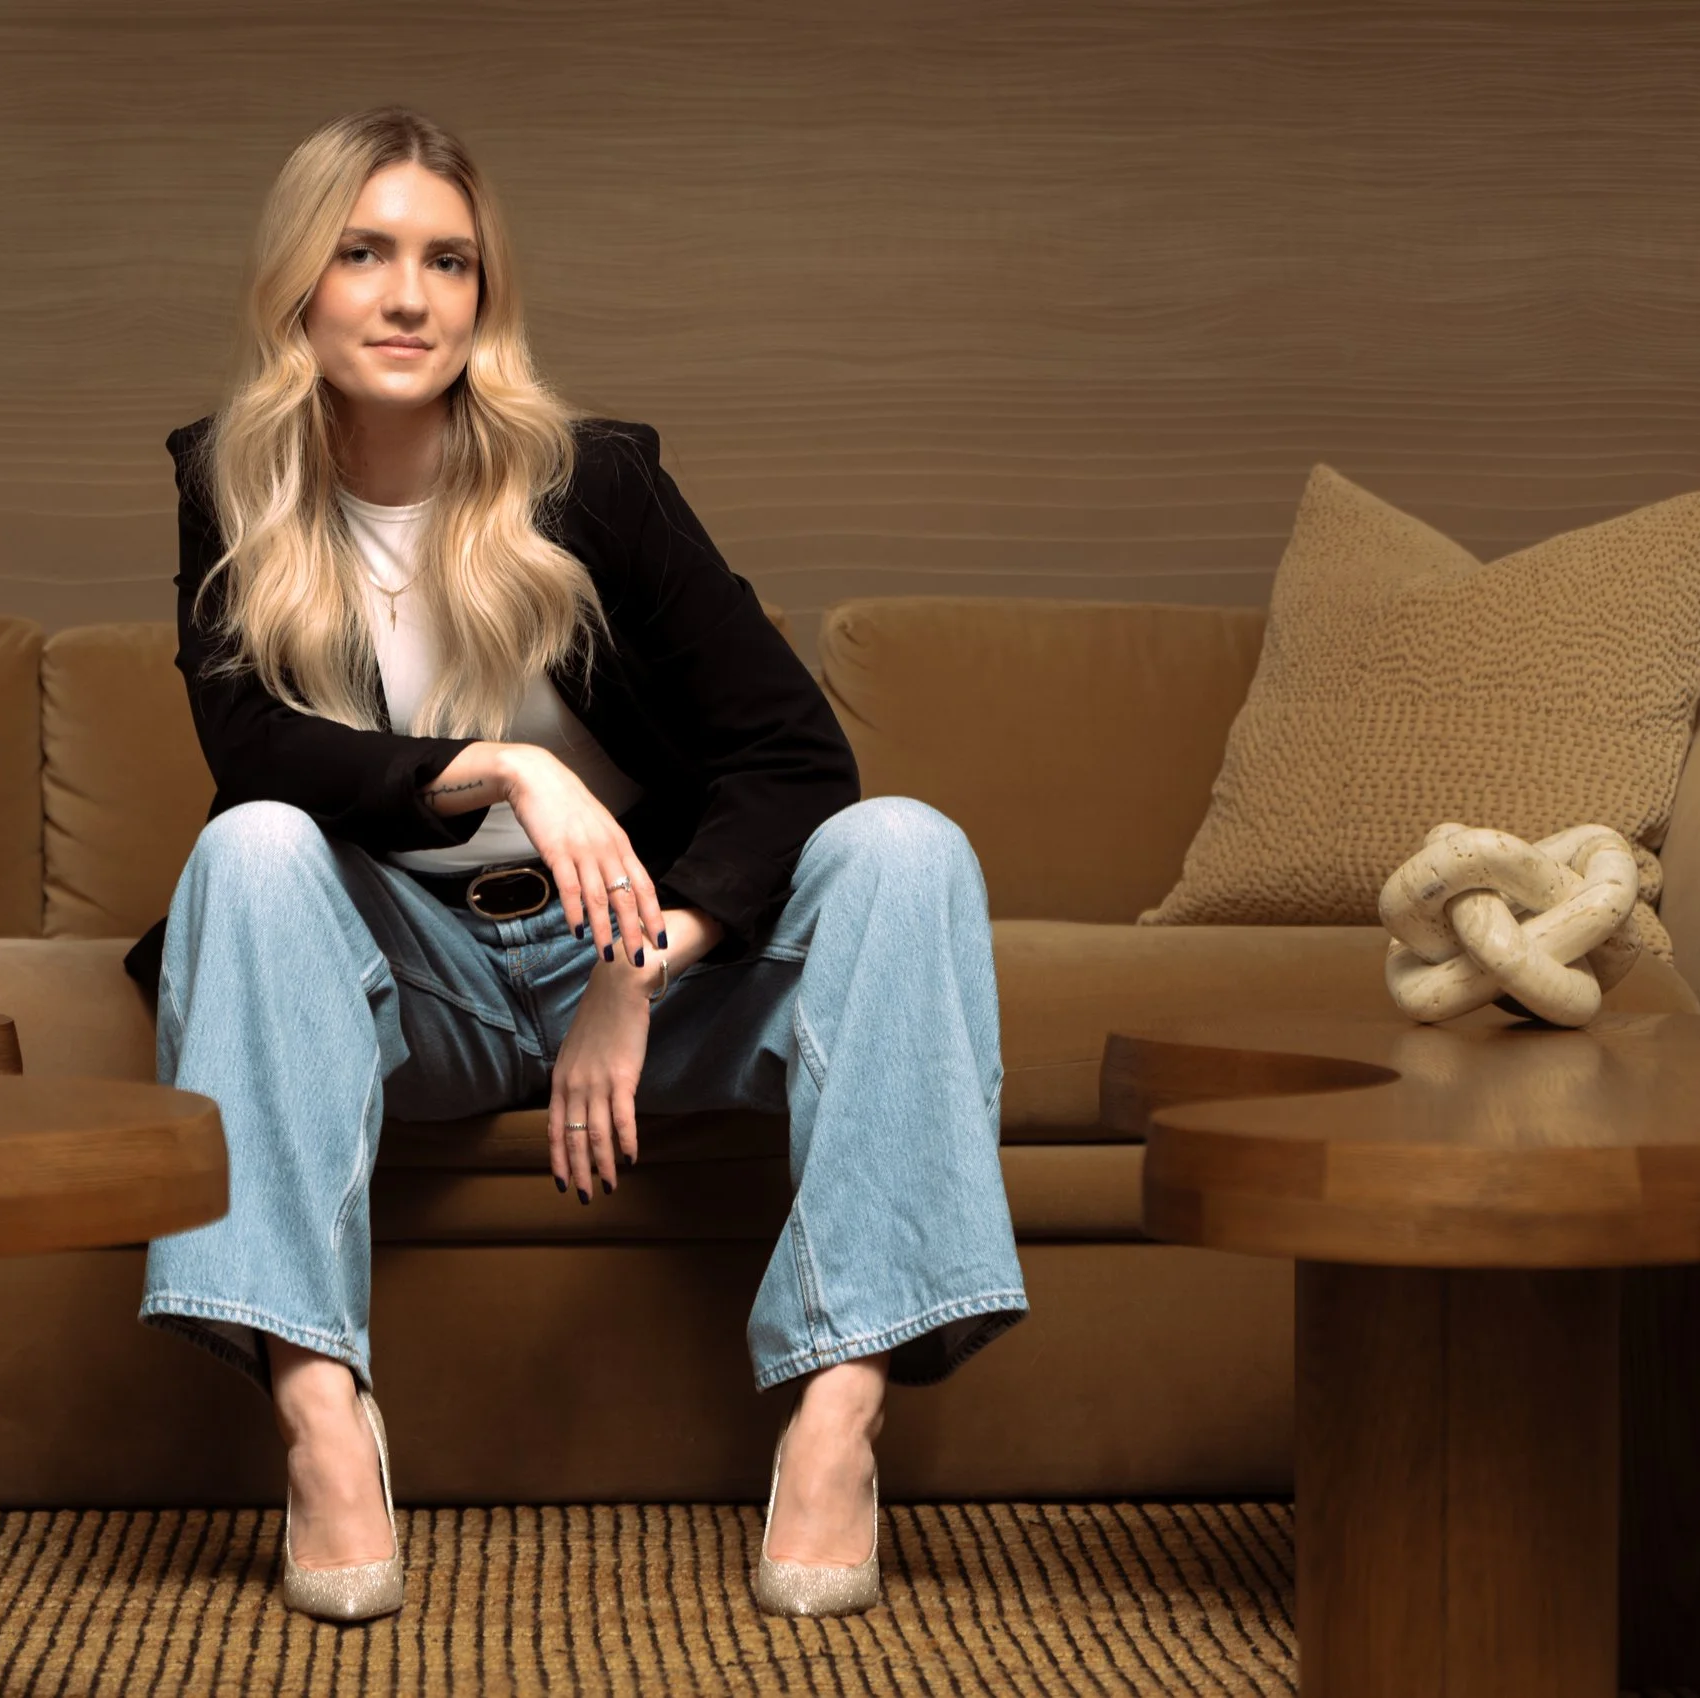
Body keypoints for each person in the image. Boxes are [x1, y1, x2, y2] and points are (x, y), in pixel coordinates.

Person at [125, 106, 1026, 1623]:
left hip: (641, 974)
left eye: (447, 262)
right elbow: (255, 750)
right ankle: (318, 1409)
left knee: (908, 849)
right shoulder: (236, 481)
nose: (409, 297)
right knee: (253, 848)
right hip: (411, 979)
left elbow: (796, 757)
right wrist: (503, 763)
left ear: (486, 296)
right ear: (300, 281)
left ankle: (840, 1409)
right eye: (364, 253)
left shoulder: (590, 482)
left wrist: (645, 955)